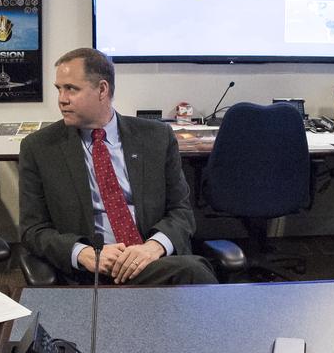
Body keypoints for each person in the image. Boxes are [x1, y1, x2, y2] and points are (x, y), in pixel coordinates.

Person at [20, 48, 217, 285]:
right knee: (194, 272)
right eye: (59, 89)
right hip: (91, 271)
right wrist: (82, 253)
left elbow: (181, 212)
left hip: (152, 263)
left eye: (71, 88)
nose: (62, 99)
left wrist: (153, 247)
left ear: (102, 89)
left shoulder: (156, 137)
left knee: (192, 271)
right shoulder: (39, 147)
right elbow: (33, 230)